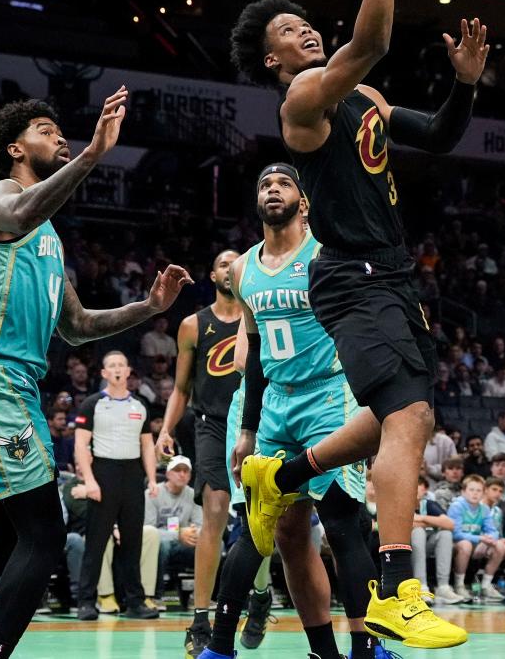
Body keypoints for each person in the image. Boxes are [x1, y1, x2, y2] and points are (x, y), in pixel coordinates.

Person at [231, 0, 484, 649]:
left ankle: (284, 475)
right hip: (348, 274)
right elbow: (369, 41)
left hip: (393, 273)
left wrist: (465, 88)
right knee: (407, 415)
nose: (301, 32)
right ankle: (396, 589)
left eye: (304, 24)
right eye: (286, 32)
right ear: (274, 63)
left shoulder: (364, 101)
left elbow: (439, 135)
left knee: (394, 419)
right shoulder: (303, 102)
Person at [0, 93, 191, 657]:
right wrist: (91, 155)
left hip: (17, 388)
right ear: (16, 147)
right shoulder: (0, 197)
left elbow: (80, 325)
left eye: (64, 133)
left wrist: (147, 309)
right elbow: (19, 213)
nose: (59, 138)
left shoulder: (49, 238)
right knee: (44, 534)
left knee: (9, 541)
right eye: (46, 130)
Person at [204, 165, 383, 659]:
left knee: (345, 525)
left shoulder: (327, 255)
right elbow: (255, 352)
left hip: (329, 395)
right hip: (277, 404)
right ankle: (323, 650)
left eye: (283, 184)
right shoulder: (241, 269)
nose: (273, 190)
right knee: (284, 534)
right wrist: (246, 429)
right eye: (264, 184)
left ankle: (367, 650)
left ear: (303, 203)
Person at [156, 248, 252, 655]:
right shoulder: (193, 325)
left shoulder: (258, 319)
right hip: (211, 424)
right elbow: (181, 389)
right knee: (214, 508)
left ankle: (260, 597)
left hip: (256, 423)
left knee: (261, 524)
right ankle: (199, 620)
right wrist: (164, 429)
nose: (231, 268)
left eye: (238, 263)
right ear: (213, 275)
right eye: (224, 263)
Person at [74, 350, 160, 621]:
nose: (117, 369)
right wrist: (89, 480)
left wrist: (153, 479)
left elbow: (147, 445)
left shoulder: (140, 405)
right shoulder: (92, 404)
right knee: (96, 542)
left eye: (121, 365)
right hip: (104, 472)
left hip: (133, 475)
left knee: (132, 542)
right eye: (112, 366)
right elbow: (80, 444)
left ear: (129, 370)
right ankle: (86, 602)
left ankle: (134, 601)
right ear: (104, 373)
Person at [145, 456, 201, 603]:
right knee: (161, 544)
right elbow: (148, 530)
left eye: (186, 471)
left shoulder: (194, 495)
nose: (182, 474)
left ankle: (203, 596)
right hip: (161, 542)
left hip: (184, 543)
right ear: (168, 473)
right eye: (177, 470)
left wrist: (194, 533)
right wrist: (178, 534)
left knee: (213, 545)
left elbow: (200, 525)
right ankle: (155, 596)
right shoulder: (152, 493)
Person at [448, 475, 505, 601]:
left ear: (483, 492)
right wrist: (480, 539)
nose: (475, 494)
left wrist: (488, 541)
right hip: (454, 544)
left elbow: (493, 531)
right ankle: (459, 585)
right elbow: (456, 533)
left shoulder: (484, 509)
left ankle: (486, 585)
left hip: (474, 542)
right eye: (471, 490)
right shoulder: (457, 506)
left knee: (499, 545)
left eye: (478, 490)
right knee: (466, 544)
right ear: (463, 491)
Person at [411, 475, 461, 603]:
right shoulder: (400, 503)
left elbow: (450, 524)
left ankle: (443, 587)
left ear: (425, 490)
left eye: (419, 487)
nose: (415, 490)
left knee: (446, 534)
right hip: (406, 549)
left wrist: (421, 518)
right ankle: (421, 585)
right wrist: (434, 522)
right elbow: (407, 524)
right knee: (418, 532)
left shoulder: (428, 504)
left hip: (425, 547)